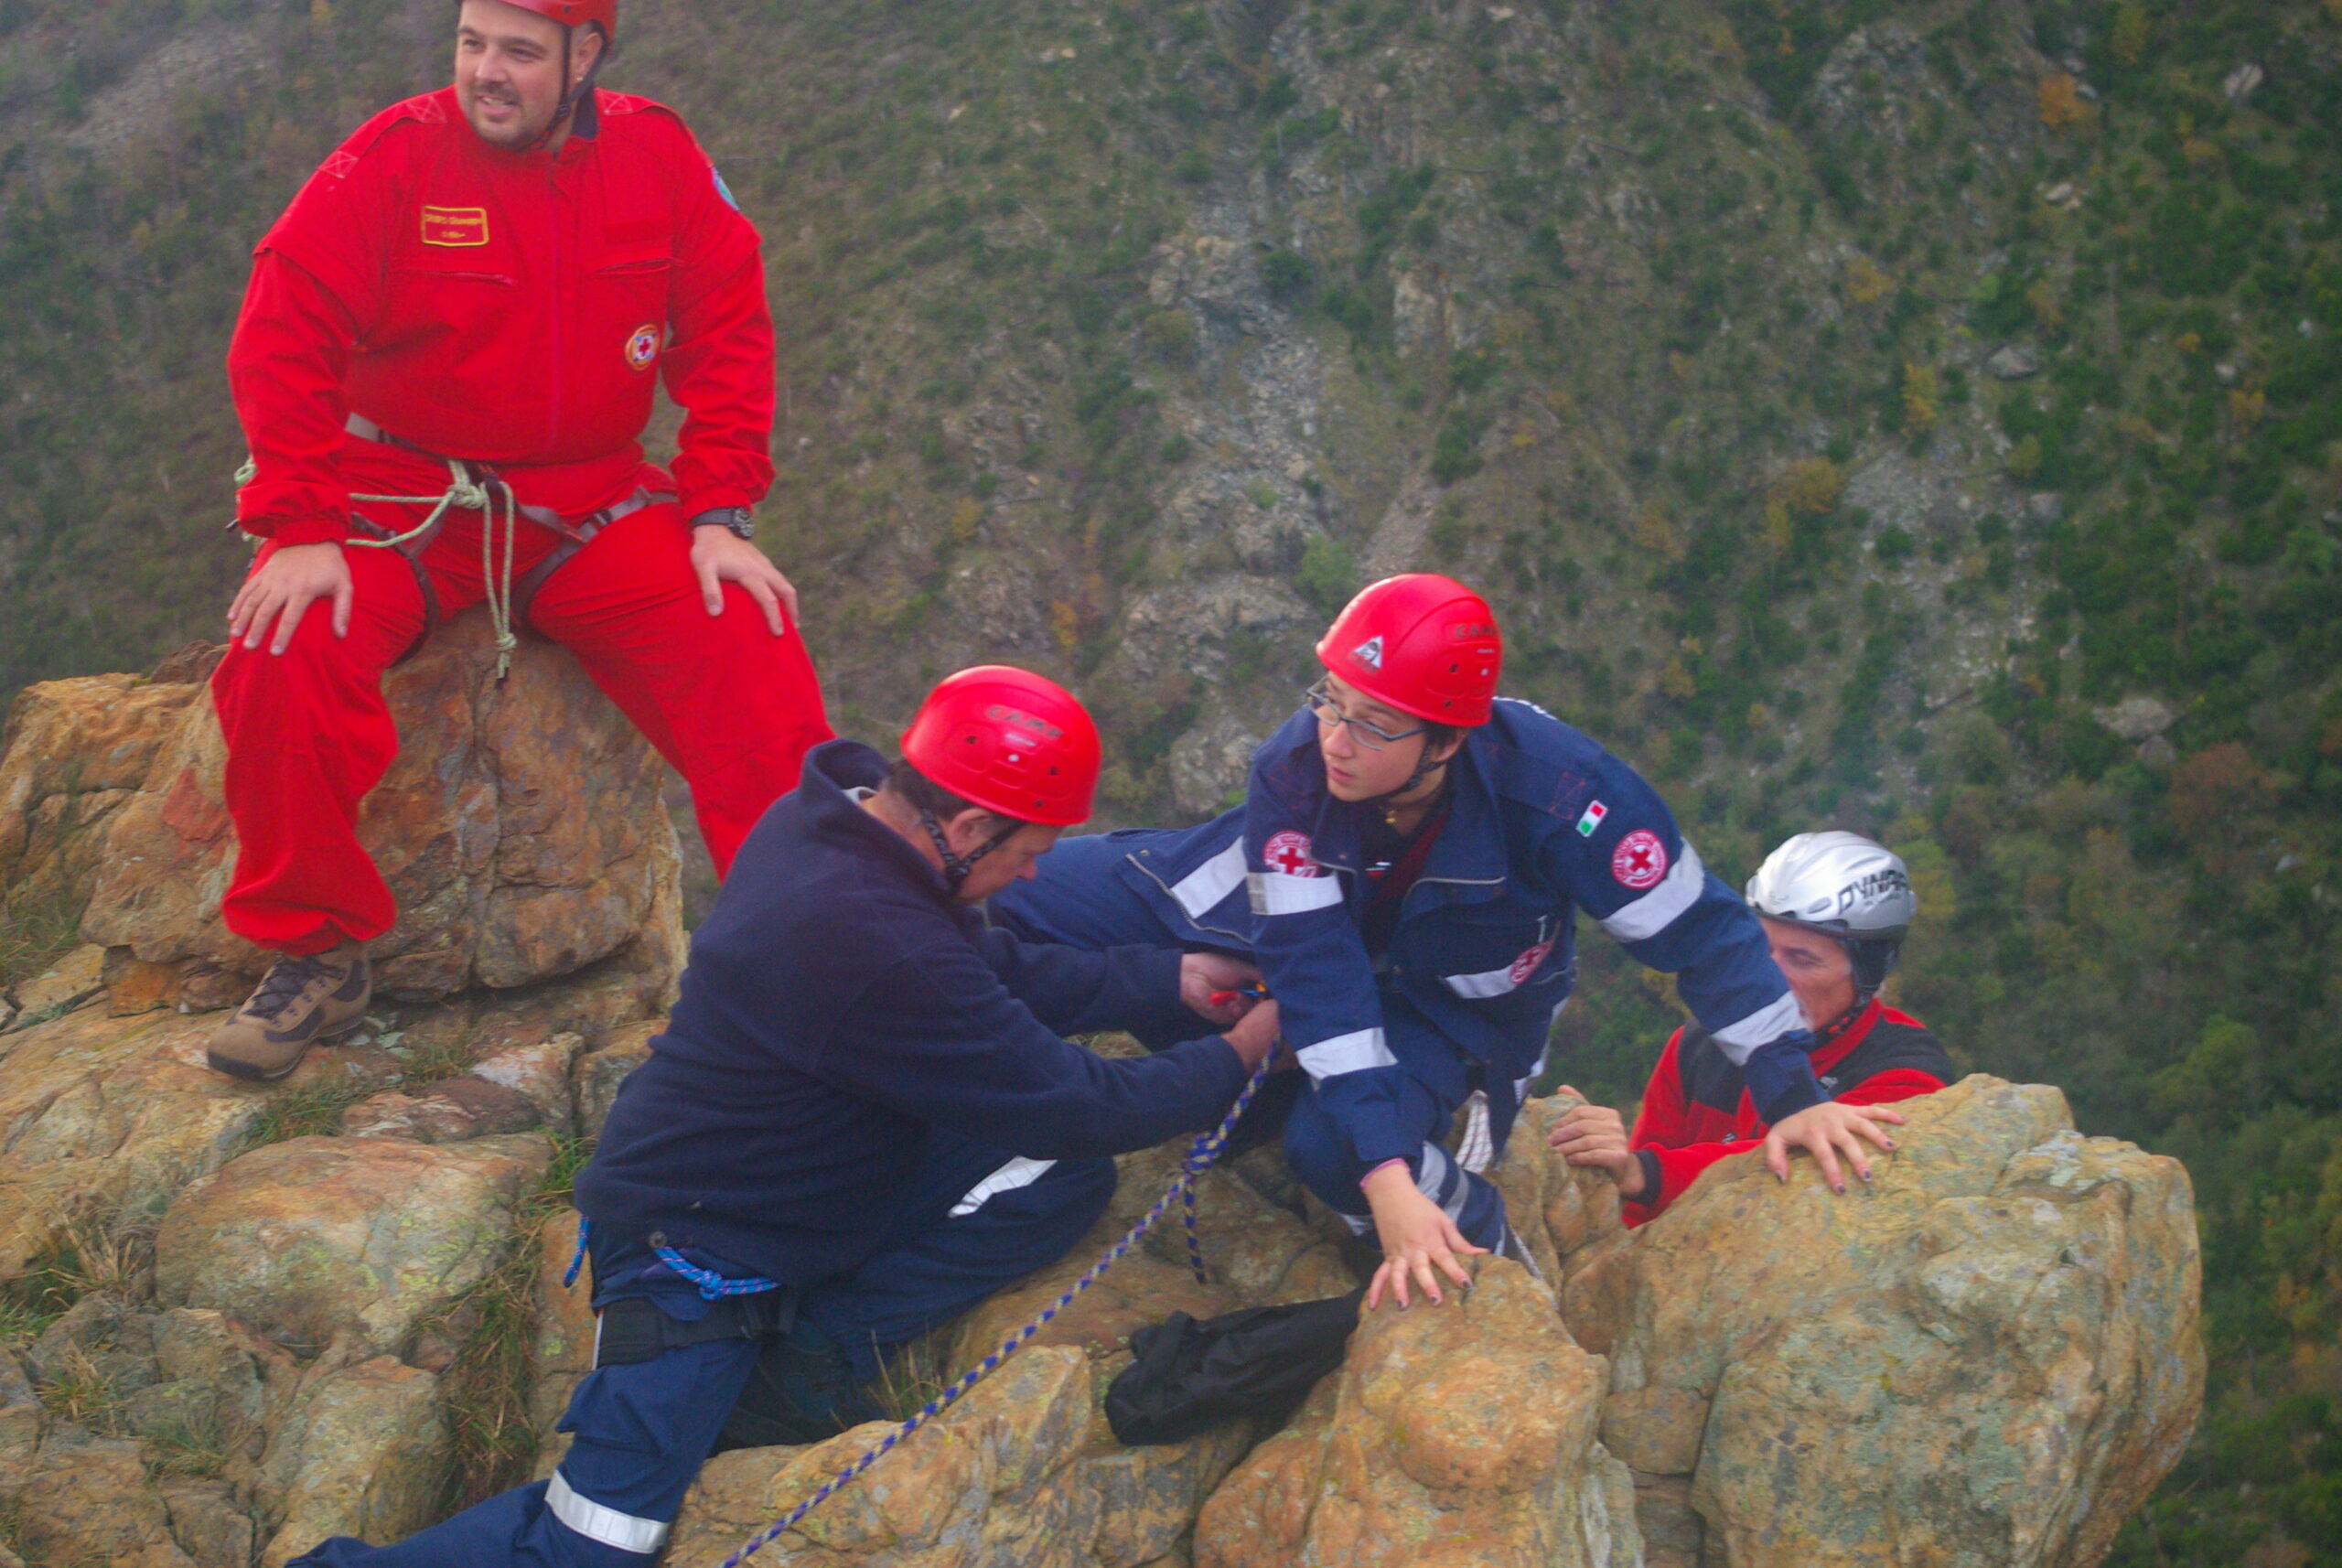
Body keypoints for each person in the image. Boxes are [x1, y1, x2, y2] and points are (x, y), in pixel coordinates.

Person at [285, 667, 1281, 1566]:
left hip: (801, 1176)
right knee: (595, 1547)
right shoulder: (876, 935)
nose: (1032, 876)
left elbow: (986, 970)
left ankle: (812, 1357)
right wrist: (1235, 1053)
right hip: (692, 1252)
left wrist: (1165, 976)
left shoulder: (836, 826)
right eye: (1028, 852)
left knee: (1052, 1177)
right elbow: (1071, 1099)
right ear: (969, 827)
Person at [205, 0, 833, 1081]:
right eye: (471, 44)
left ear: (587, 55)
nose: (485, 73)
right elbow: (283, 324)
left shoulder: (656, 154)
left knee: (748, 642)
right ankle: (315, 947)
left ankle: (819, 956)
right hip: (405, 499)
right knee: (282, 650)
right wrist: (299, 524)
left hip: (586, 503)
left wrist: (721, 510)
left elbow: (728, 318)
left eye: (519, 52)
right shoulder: (391, 161)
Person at [991, 574, 1885, 1313]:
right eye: (1328, 700)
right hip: (1264, 920)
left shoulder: (1564, 793)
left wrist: (1790, 1092)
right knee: (1015, 907)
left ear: (1448, 740)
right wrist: (1161, 981)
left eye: (1373, 723)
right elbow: (1317, 968)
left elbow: (1700, 930)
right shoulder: (1297, 766)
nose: (1334, 739)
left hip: (1449, 997)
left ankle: (1474, 1229)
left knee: (1330, 1150)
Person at [1547, 832, 1954, 1224]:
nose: (1769, 976)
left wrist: (1644, 1173)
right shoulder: (1698, 1046)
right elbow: (1635, 1214)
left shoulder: (1906, 1070)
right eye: (1760, 947)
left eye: (1802, 959)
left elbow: (1803, 1179)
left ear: (1868, 973)